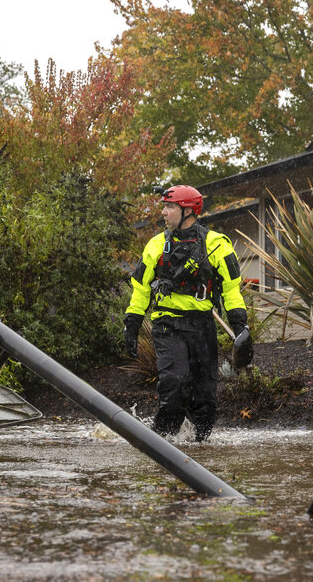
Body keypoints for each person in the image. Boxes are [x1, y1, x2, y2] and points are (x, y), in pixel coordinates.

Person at [123, 185, 250, 442]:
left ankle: (197, 450)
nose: (164, 212)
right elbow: (139, 289)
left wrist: (241, 328)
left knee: (204, 402)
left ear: (188, 210)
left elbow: (231, 290)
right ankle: (159, 446)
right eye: (165, 206)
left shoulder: (217, 245)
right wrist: (132, 325)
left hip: (203, 328)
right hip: (167, 325)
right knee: (175, 386)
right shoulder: (156, 245)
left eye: (170, 207)